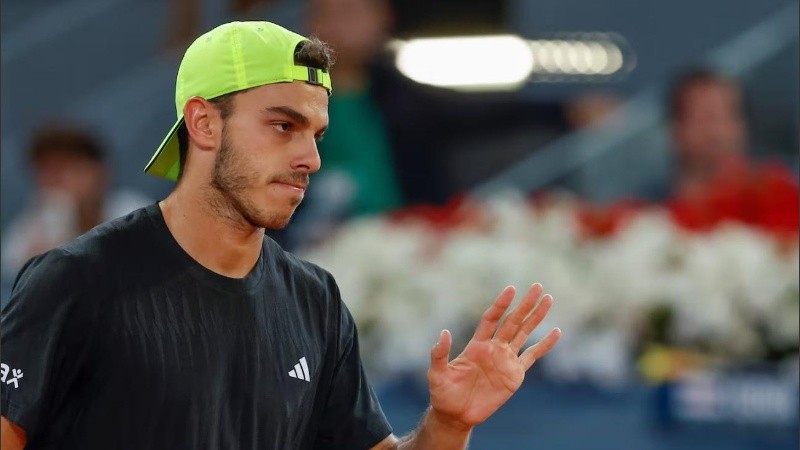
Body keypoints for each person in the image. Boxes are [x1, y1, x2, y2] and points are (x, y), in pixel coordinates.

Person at [0, 22, 561, 449]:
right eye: (282, 126)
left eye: (316, 133)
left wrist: (447, 423)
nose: (310, 158)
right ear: (203, 124)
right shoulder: (76, 281)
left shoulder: (314, 300)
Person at [0, 124, 151, 284]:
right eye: (45, 172)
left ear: (99, 172)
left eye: (63, 169)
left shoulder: (137, 213)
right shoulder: (26, 233)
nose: (54, 182)